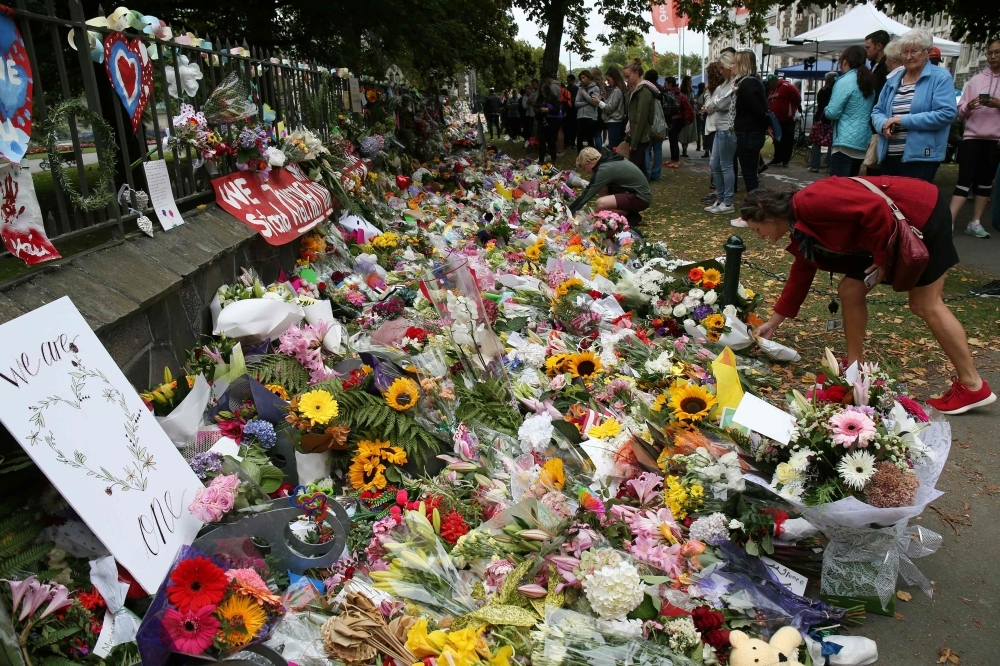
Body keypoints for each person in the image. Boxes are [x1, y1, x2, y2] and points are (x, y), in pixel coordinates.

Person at [746, 180, 996, 415]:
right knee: (850, 290)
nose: (760, 236)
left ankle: (973, 385)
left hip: (920, 215)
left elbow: (876, 208)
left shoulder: (810, 201)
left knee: (925, 303)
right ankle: (856, 369)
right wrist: (774, 323)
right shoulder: (798, 225)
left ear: (768, 217)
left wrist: (881, 259)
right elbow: (802, 272)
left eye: (757, 229)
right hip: (887, 233)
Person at [872, 28, 957, 182]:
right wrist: (884, 124)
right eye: (904, 52)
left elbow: (946, 114)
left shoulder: (940, 77)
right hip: (889, 154)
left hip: (921, 157)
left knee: (913, 203)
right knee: (890, 204)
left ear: (928, 52)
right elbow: (877, 111)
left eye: (914, 51)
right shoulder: (894, 78)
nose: (909, 57)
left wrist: (903, 120)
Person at [950, 38, 1000, 238]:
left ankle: (975, 222)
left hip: (995, 139)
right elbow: (960, 111)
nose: (993, 56)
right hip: (972, 136)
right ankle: (950, 221)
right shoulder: (976, 80)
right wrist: (968, 107)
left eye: (997, 52)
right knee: (964, 179)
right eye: (990, 53)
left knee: (985, 182)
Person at [730, 50, 770, 227]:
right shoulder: (748, 84)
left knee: (749, 175)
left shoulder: (749, 84)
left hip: (749, 134)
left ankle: (751, 213)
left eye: (735, 62)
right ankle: (751, 211)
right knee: (748, 173)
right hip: (749, 133)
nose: (733, 66)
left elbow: (758, 111)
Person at [824, 46, 877, 177]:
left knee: (837, 188)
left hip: (844, 142)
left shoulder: (844, 81)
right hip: (862, 141)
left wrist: (825, 109)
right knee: (850, 186)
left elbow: (832, 112)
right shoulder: (867, 81)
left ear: (845, 61)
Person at [569, 147, 652, 225]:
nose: (587, 172)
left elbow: (587, 194)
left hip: (641, 198)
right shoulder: (608, 160)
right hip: (636, 193)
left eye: (585, 168)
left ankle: (630, 215)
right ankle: (624, 212)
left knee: (601, 203)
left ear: (589, 162)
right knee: (601, 188)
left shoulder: (604, 169)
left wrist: (569, 212)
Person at [705, 51, 736, 215]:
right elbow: (711, 104)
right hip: (719, 129)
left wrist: (714, 103)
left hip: (727, 129)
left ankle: (728, 201)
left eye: (722, 68)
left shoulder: (733, 85)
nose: (720, 71)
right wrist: (714, 103)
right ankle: (722, 198)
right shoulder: (723, 86)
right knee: (714, 165)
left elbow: (720, 104)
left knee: (725, 165)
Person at [624, 58, 656, 176]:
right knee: (640, 170)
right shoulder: (636, 91)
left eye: (628, 77)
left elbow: (640, 119)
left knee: (634, 171)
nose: (626, 80)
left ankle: (637, 193)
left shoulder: (643, 92)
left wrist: (634, 142)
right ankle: (642, 193)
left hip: (640, 137)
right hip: (639, 136)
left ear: (636, 73)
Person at [767, 75, 801, 167]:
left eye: (770, 83)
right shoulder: (772, 90)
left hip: (787, 119)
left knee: (787, 139)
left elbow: (797, 98)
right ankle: (777, 158)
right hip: (775, 120)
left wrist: (791, 110)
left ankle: (785, 160)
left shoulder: (787, 86)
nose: (769, 85)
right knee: (777, 139)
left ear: (774, 81)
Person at [809, 72, 837, 172]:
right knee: (831, 143)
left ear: (826, 80)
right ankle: (830, 166)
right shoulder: (837, 90)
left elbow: (821, 107)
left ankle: (815, 165)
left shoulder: (823, 90)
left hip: (822, 119)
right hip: (833, 120)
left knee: (816, 142)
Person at [535, 74, 564, 163]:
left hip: (552, 123)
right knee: (542, 142)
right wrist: (538, 110)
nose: (543, 94)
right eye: (542, 92)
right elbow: (536, 108)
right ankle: (541, 159)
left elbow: (557, 109)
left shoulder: (553, 98)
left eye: (544, 92)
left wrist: (548, 109)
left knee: (552, 142)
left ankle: (553, 159)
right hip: (542, 123)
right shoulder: (539, 99)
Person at [644, 70, 665, 181]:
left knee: (647, 149)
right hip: (660, 124)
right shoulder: (661, 90)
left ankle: (647, 173)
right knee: (658, 149)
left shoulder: (646, 90)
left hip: (649, 122)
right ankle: (656, 174)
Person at [662, 76, 687, 168]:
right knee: (673, 139)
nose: (664, 85)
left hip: (674, 119)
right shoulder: (679, 93)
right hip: (680, 119)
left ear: (670, 84)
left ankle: (675, 160)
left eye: (666, 83)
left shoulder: (670, 94)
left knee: (673, 140)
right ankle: (673, 159)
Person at [601, 66, 628, 149]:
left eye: (609, 80)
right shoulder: (617, 89)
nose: (608, 83)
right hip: (616, 122)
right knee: (616, 146)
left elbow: (610, 108)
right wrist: (606, 98)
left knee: (614, 147)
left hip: (615, 122)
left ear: (614, 78)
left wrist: (599, 102)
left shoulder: (616, 91)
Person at [575, 70, 602, 150]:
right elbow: (576, 103)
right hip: (580, 116)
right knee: (579, 138)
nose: (582, 80)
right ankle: (580, 156)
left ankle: (591, 157)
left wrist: (585, 94)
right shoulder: (580, 89)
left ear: (589, 77)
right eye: (581, 78)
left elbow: (594, 102)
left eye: (584, 78)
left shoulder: (595, 88)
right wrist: (587, 102)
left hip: (590, 117)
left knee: (590, 138)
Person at [866, 30, 892, 98]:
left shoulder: (887, 67)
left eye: (868, 48)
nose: (866, 51)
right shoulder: (874, 65)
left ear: (879, 46)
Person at [679, 75, 699, 157]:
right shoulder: (689, 91)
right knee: (687, 132)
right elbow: (692, 101)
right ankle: (684, 149)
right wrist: (694, 101)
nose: (691, 83)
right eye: (690, 81)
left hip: (683, 114)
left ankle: (684, 149)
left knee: (684, 132)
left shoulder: (682, 91)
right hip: (689, 114)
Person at [564, 74, 579, 151]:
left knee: (574, 128)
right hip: (568, 110)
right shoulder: (567, 89)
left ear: (573, 80)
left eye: (569, 80)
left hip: (574, 111)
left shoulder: (576, 89)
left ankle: (573, 142)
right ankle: (567, 142)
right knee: (567, 127)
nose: (568, 82)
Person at [695, 81, 709, 156]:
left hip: (700, 114)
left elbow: (698, 105)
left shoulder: (699, 95)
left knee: (700, 131)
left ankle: (699, 146)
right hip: (705, 115)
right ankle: (706, 149)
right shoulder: (705, 95)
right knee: (704, 132)